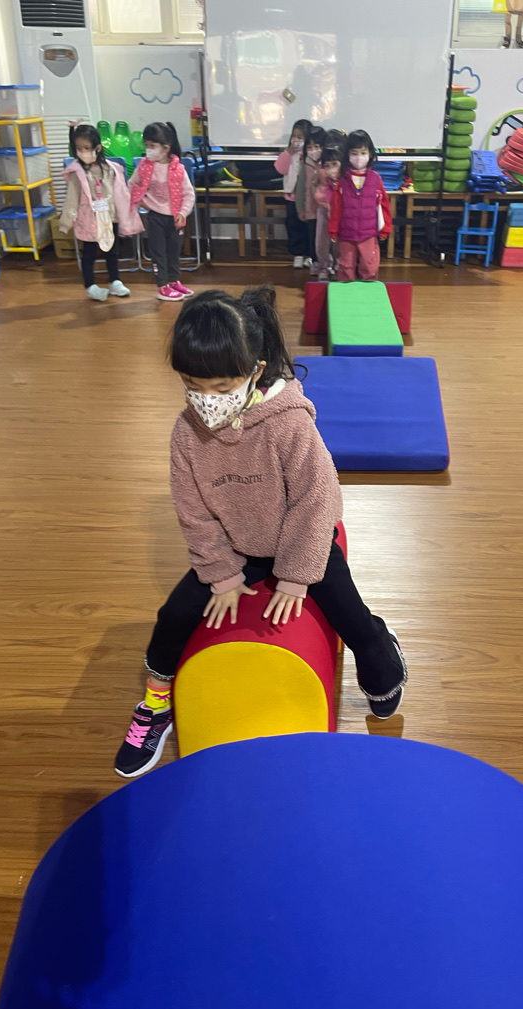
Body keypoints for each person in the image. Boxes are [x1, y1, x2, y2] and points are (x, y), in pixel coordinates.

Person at [115, 286, 408, 778]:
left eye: (221, 386)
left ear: (254, 371)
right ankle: (157, 703)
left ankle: (385, 655)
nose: (207, 401)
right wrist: (223, 574)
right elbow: (193, 511)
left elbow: (317, 500)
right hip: (238, 548)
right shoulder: (186, 433)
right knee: (173, 616)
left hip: (300, 540)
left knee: (351, 617)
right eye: (193, 385)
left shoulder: (288, 424)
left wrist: (295, 575)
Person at [59, 124, 142, 302]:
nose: (83, 152)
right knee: (89, 253)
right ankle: (90, 286)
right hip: (88, 219)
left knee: (112, 250)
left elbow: (120, 193)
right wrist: (66, 221)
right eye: (79, 149)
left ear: (98, 148)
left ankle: (114, 281)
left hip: (109, 216)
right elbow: (72, 197)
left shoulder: (111, 169)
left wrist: (124, 214)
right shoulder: (76, 172)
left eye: (86, 148)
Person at [129, 122, 195, 302]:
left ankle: (174, 281)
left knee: (174, 252)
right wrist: (142, 201)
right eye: (147, 146)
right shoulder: (144, 167)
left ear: (166, 148)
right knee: (158, 253)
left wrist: (183, 212)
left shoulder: (178, 169)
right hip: (155, 217)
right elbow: (132, 184)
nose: (148, 150)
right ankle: (162, 286)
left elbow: (188, 193)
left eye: (152, 146)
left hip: (175, 218)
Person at [328, 130, 392, 282]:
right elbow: (336, 207)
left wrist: (385, 229)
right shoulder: (343, 180)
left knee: (369, 267)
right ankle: (347, 293)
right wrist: (333, 230)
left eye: (363, 153)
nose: (359, 157)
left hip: (368, 233)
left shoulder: (375, 179)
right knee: (346, 267)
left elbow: (384, 205)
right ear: (347, 155)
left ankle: (368, 293)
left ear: (370, 153)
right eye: (354, 153)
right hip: (347, 234)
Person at [274, 119, 312, 268]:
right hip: (292, 197)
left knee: (310, 227)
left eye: (300, 137)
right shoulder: (288, 154)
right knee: (294, 226)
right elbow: (280, 169)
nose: (296, 140)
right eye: (294, 136)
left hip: (309, 198)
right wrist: (288, 153)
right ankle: (298, 254)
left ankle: (311, 254)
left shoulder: (311, 155)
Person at [295, 126, 327, 274]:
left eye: (317, 146)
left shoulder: (329, 164)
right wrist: (300, 208)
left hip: (326, 210)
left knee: (326, 239)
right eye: (309, 147)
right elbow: (300, 188)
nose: (313, 150)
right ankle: (315, 263)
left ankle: (327, 264)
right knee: (313, 238)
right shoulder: (306, 164)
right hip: (311, 210)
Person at [313, 146, 342, 280]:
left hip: (341, 212)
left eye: (334, 164)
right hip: (324, 209)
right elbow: (317, 189)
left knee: (339, 243)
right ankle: (323, 267)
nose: (331, 169)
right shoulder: (322, 175)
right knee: (322, 241)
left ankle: (338, 267)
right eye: (327, 166)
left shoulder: (345, 178)